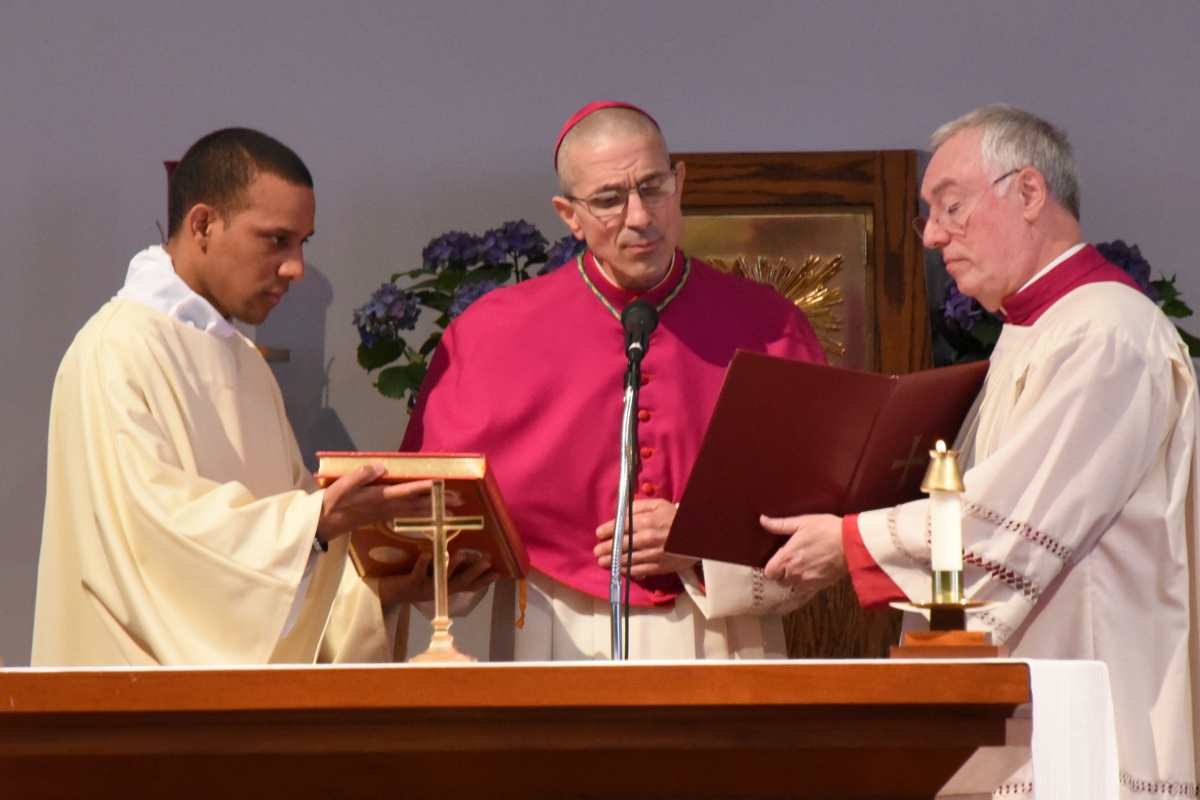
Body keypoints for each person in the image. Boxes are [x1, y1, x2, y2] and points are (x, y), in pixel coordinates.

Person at [761, 105, 1199, 795]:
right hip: (1024, 708)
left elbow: (1012, 521)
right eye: (927, 215)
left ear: (1028, 193)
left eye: (952, 207)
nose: (934, 235)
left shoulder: (1106, 332)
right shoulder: (1037, 331)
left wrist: (850, 543)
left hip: (1084, 722)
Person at [32, 128, 493, 667]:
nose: (295, 267)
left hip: (245, 717)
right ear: (203, 223)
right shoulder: (116, 351)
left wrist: (387, 588)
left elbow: (286, 564)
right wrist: (315, 520)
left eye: (303, 243)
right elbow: (153, 543)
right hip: (139, 705)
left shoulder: (244, 362)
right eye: (276, 240)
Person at [401, 102, 827, 660]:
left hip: (715, 632)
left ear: (680, 182)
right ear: (568, 214)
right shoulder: (489, 333)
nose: (639, 216)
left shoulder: (768, 325)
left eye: (652, 187)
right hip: (545, 629)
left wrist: (703, 545)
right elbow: (428, 519)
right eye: (607, 199)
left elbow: (821, 517)